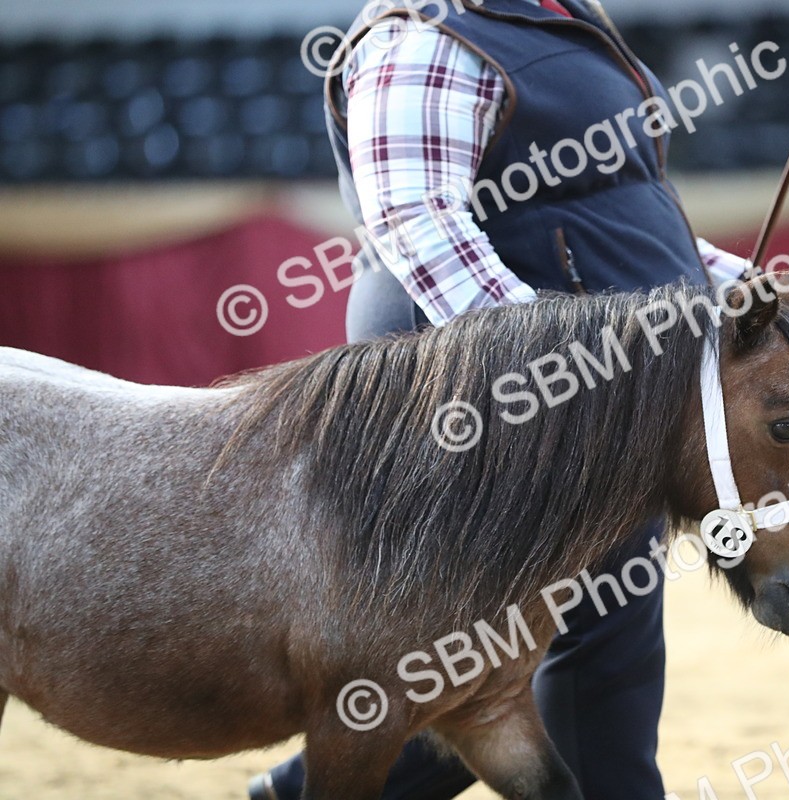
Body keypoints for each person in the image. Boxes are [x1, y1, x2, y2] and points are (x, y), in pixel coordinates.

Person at [250, 1, 752, 797]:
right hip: (497, 398)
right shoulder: (424, 35)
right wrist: (548, 378)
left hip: (596, 390)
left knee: (518, 644)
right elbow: (417, 224)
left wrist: (727, 288)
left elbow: (623, 205)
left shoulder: (556, 16)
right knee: (581, 640)